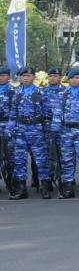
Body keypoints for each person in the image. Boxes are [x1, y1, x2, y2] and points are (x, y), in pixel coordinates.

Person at [8, 66, 50, 200]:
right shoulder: (16, 92)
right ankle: (21, 189)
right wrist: (10, 127)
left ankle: (44, 187)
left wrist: (47, 131)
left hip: (36, 129)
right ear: (20, 77)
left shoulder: (40, 92)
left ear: (34, 78)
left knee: (41, 159)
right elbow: (13, 112)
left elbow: (47, 113)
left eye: (28, 76)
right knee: (19, 160)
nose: (26, 78)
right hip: (20, 130)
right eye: (23, 76)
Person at [51, 68, 79, 199]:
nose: (75, 80)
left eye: (77, 77)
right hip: (66, 131)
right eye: (72, 78)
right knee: (67, 160)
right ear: (68, 80)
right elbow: (57, 113)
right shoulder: (61, 94)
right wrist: (55, 130)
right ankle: (68, 187)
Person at [0, 66, 14, 195]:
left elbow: (15, 111)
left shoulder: (12, 91)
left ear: (8, 77)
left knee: (10, 156)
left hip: (8, 125)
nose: (0, 78)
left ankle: (12, 181)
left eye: (3, 75)